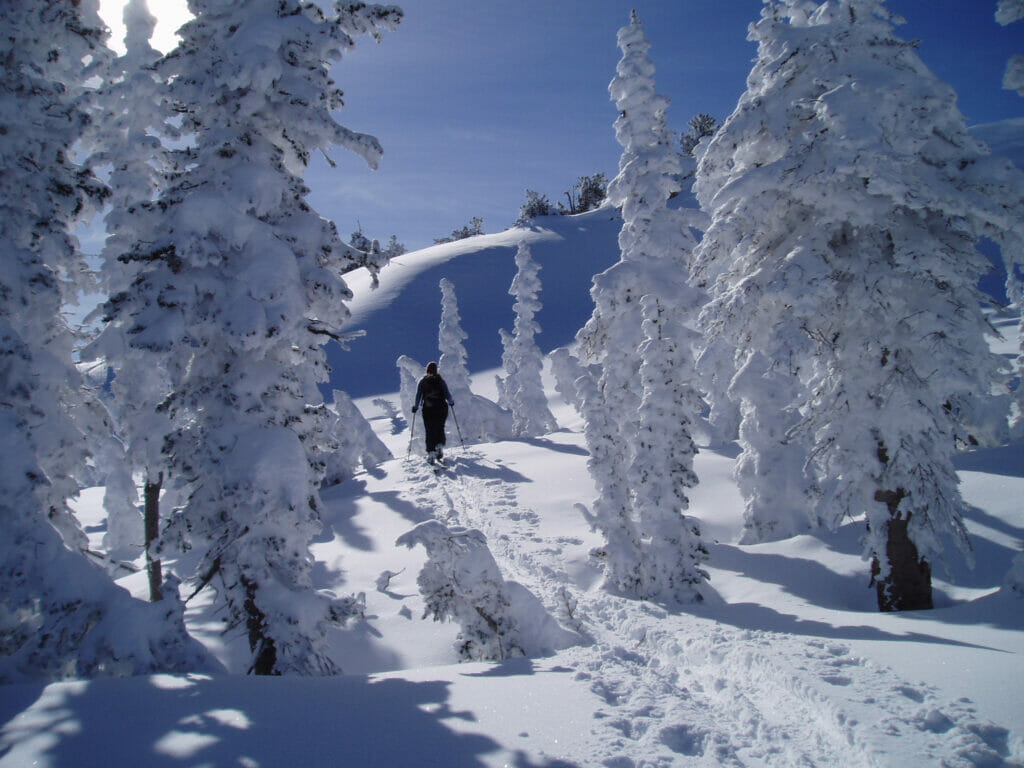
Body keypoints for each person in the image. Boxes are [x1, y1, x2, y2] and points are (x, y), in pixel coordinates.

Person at [412, 361, 454, 462]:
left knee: (429, 430)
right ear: (436, 370)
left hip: (428, 408)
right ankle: (439, 446)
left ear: (427, 370)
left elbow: (418, 395)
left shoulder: (423, 381)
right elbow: (447, 394)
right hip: (441, 407)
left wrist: (416, 407)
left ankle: (431, 452)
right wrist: (451, 402)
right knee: (440, 427)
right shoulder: (440, 380)